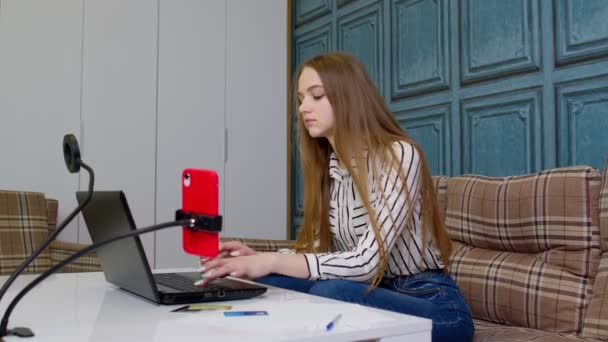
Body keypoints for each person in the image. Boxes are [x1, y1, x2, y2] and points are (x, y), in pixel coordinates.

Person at [196, 52, 474, 341]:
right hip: (369, 291)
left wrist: (272, 259)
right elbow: (321, 253)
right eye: (301, 98)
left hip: (431, 302)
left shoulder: (400, 155)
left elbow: (366, 263)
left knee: (331, 291)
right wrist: (259, 261)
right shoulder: (330, 169)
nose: (304, 107)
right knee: (267, 280)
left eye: (317, 96)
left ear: (349, 98)